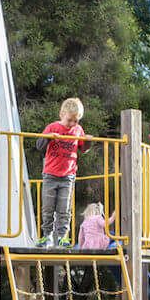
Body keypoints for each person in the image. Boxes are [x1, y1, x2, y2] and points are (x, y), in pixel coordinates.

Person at [35, 97, 90, 248]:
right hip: (50, 175)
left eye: (76, 121)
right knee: (47, 208)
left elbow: (83, 148)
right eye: (70, 120)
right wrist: (49, 137)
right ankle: (47, 236)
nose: (72, 124)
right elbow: (39, 146)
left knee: (64, 208)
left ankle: (62, 236)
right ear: (62, 114)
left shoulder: (78, 130)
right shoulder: (52, 127)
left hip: (68, 176)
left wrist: (88, 141)